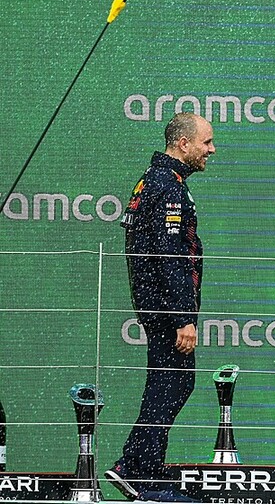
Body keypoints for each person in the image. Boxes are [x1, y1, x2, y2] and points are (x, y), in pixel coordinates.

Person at [105, 112, 215, 502]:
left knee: (169, 382)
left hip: (154, 301)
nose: (211, 150)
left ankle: (145, 466)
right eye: (206, 142)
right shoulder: (168, 186)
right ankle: (134, 467)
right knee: (173, 382)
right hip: (167, 307)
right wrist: (183, 317)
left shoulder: (152, 179)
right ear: (183, 143)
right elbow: (171, 255)